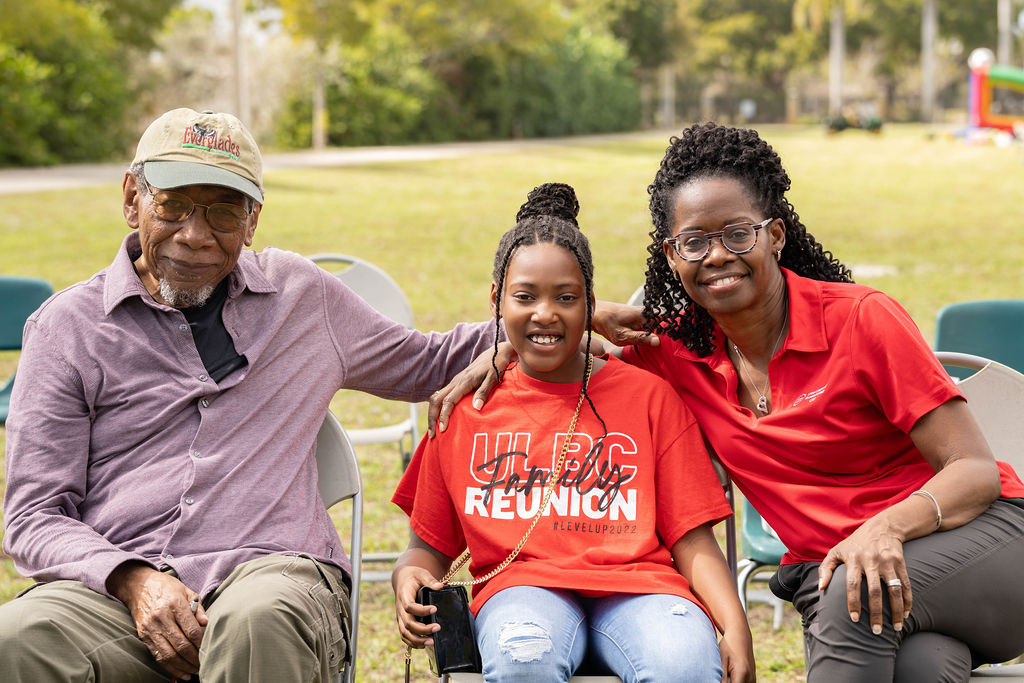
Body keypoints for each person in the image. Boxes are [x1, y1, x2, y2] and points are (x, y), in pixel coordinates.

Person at [431, 123, 1024, 682]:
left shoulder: (860, 320)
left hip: (980, 546)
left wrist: (883, 531)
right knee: (923, 665)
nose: (715, 255)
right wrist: (502, 351)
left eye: (736, 234)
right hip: (853, 581)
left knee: (853, 594)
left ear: (775, 234)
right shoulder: (679, 357)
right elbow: (558, 349)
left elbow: (973, 473)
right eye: (693, 242)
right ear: (670, 256)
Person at [0, 107, 501, 683]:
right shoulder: (66, 328)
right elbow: (36, 516)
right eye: (173, 205)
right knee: (14, 641)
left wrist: (565, 322)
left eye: (222, 211)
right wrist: (134, 579)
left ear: (253, 219)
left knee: (256, 621)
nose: (195, 234)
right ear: (132, 199)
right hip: (115, 596)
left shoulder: (299, 297)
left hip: (272, 575)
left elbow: (430, 360)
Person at [391, 183, 755, 683]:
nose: (546, 314)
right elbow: (424, 549)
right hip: (523, 591)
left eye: (567, 297)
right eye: (525, 297)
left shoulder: (650, 399)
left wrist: (735, 626)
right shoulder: (465, 409)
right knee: (525, 656)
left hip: (643, 590)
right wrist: (407, 576)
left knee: (685, 664)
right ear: (497, 299)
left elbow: (694, 541)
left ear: (592, 306)